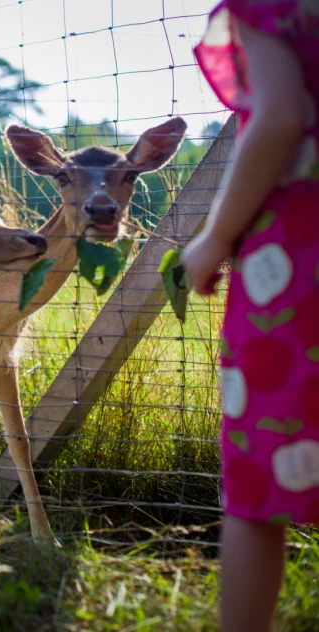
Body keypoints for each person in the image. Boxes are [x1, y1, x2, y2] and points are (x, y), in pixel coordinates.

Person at [183, 1, 319, 629]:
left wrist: (215, 237)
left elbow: (281, 114)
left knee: (257, 484)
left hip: (295, 266)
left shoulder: (272, 6)